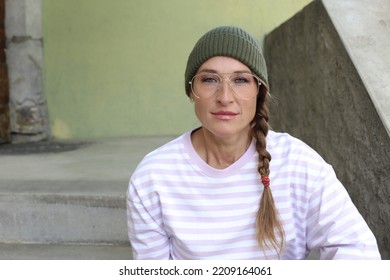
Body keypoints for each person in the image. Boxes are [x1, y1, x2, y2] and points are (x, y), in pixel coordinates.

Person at [126, 26, 381, 260]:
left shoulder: (299, 165)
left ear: (259, 92)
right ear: (191, 90)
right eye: (209, 79)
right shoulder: (153, 177)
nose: (225, 97)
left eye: (240, 80)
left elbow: (358, 251)